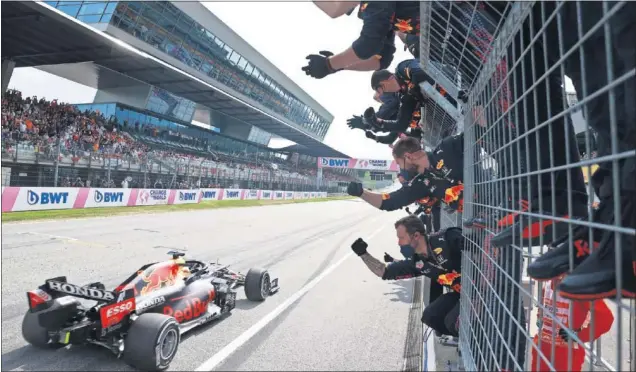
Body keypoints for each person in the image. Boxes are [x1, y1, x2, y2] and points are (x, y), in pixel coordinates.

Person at [350, 215, 465, 336]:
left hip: (480, 290)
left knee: (452, 322)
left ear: (416, 236)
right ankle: (464, 339)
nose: (399, 243)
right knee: (430, 317)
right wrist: (363, 254)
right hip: (461, 293)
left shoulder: (445, 238)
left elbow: (477, 245)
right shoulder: (416, 262)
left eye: (401, 238)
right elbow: (384, 272)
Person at [303, 1, 420, 79]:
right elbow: (382, 59)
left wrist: (330, 64)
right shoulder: (375, 8)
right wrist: (340, 65)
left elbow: (369, 44)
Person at [346, 136, 461, 214]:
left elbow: (476, 130)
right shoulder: (420, 184)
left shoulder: (447, 147)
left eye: (399, 163)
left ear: (408, 157)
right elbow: (390, 201)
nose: (401, 168)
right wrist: (362, 193)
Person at [530, 274, 614, 372]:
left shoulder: (581, 287)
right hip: (543, 346)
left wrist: (580, 336)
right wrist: (540, 317)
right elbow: (544, 301)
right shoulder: (550, 282)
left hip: (566, 352)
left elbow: (605, 317)